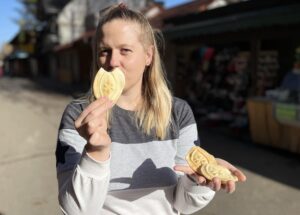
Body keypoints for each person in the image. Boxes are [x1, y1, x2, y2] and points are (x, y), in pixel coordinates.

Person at [55, 4, 246, 215]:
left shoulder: (178, 113)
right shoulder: (80, 115)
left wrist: (197, 179)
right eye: (104, 51)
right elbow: (75, 210)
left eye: (125, 50)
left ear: (148, 56)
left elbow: (184, 204)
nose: (112, 62)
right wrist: (96, 152)